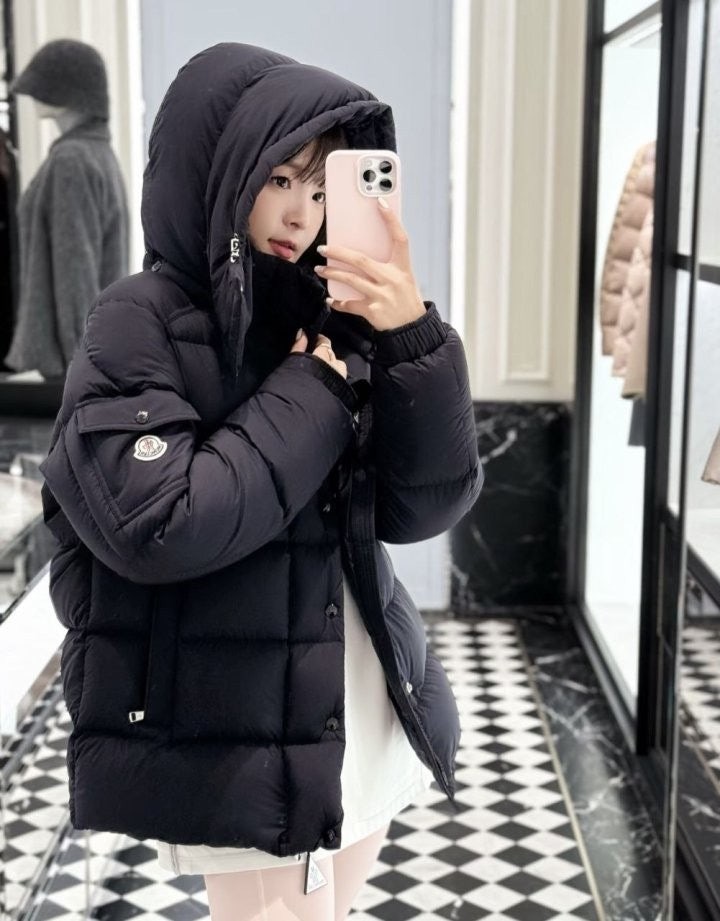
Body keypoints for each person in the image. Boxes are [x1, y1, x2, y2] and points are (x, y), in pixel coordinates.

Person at [37, 42, 483, 920]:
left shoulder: (322, 311)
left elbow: (419, 506)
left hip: (357, 701)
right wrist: (311, 393)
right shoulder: (136, 320)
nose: (301, 213)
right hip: (233, 729)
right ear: (219, 168)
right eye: (280, 178)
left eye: (321, 189)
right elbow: (159, 523)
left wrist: (409, 339)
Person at [4, 39, 128, 379]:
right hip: (91, 356)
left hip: (72, 367)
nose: (33, 97)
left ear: (68, 94)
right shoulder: (98, 155)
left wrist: (84, 366)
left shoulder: (72, 161)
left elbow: (75, 271)